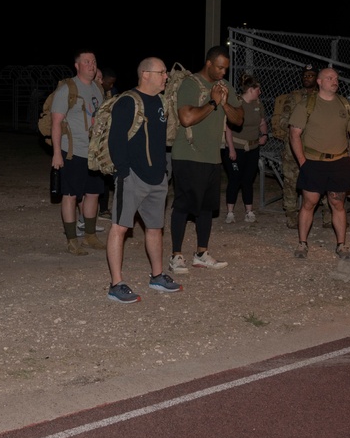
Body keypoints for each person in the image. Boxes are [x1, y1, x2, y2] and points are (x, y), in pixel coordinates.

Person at [105, 58, 182, 303]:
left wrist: (163, 172)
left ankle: (157, 276)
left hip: (157, 178)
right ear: (146, 74)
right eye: (162, 73)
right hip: (132, 177)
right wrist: (124, 173)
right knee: (120, 228)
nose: (166, 77)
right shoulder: (127, 102)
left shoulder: (159, 102)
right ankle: (116, 284)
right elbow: (116, 142)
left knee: (155, 228)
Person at [168, 45, 243, 273]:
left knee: (207, 208)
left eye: (226, 69)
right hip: (188, 154)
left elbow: (238, 119)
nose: (223, 72)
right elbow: (186, 118)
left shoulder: (224, 86)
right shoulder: (190, 84)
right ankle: (176, 256)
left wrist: (224, 102)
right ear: (209, 63)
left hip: (212, 157)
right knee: (183, 205)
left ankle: (201, 253)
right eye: (219, 67)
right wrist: (212, 103)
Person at [288, 66, 350, 259]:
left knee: (337, 203)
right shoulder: (306, 105)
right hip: (313, 162)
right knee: (309, 203)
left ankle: (341, 245)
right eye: (330, 78)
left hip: (339, 162)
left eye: (336, 78)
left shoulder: (345, 105)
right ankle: (302, 243)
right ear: (319, 82)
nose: (334, 81)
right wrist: (303, 162)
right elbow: (294, 134)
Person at [51, 49, 106, 255]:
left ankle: (90, 235)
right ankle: (72, 239)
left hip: (94, 153)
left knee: (93, 193)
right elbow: (56, 123)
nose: (91, 65)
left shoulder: (97, 89)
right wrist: (57, 153)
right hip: (73, 152)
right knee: (71, 195)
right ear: (77, 65)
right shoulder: (68, 89)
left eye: (93, 61)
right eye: (86, 62)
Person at [271, 65, 332, 229]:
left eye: (311, 75)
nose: (307, 78)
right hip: (295, 147)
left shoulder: (326, 97)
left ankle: (328, 216)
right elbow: (284, 120)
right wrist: (301, 127)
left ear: (317, 80)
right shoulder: (294, 97)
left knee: (324, 180)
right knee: (291, 182)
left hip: (319, 147)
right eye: (305, 75)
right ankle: (292, 215)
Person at [223, 74, 268, 224]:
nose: (260, 92)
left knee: (248, 180)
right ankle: (230, 212)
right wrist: (231, 150)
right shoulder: (237, 104)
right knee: (235, 180)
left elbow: (262, 122)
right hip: (237, 147)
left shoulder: (258, 104)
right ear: (250, 89)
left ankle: (249, 211)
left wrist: (264, 134)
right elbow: (228, 129)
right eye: (258, 89)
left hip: (253, 148)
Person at [98, 66, 118, 219]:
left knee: (106, 175)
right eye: (109, 83)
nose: (111, 86)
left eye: (113, 83)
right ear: (101, 80)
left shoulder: (112, 92)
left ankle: (104, 208)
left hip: (108, 137)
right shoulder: (95, 92)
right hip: (97, 137)